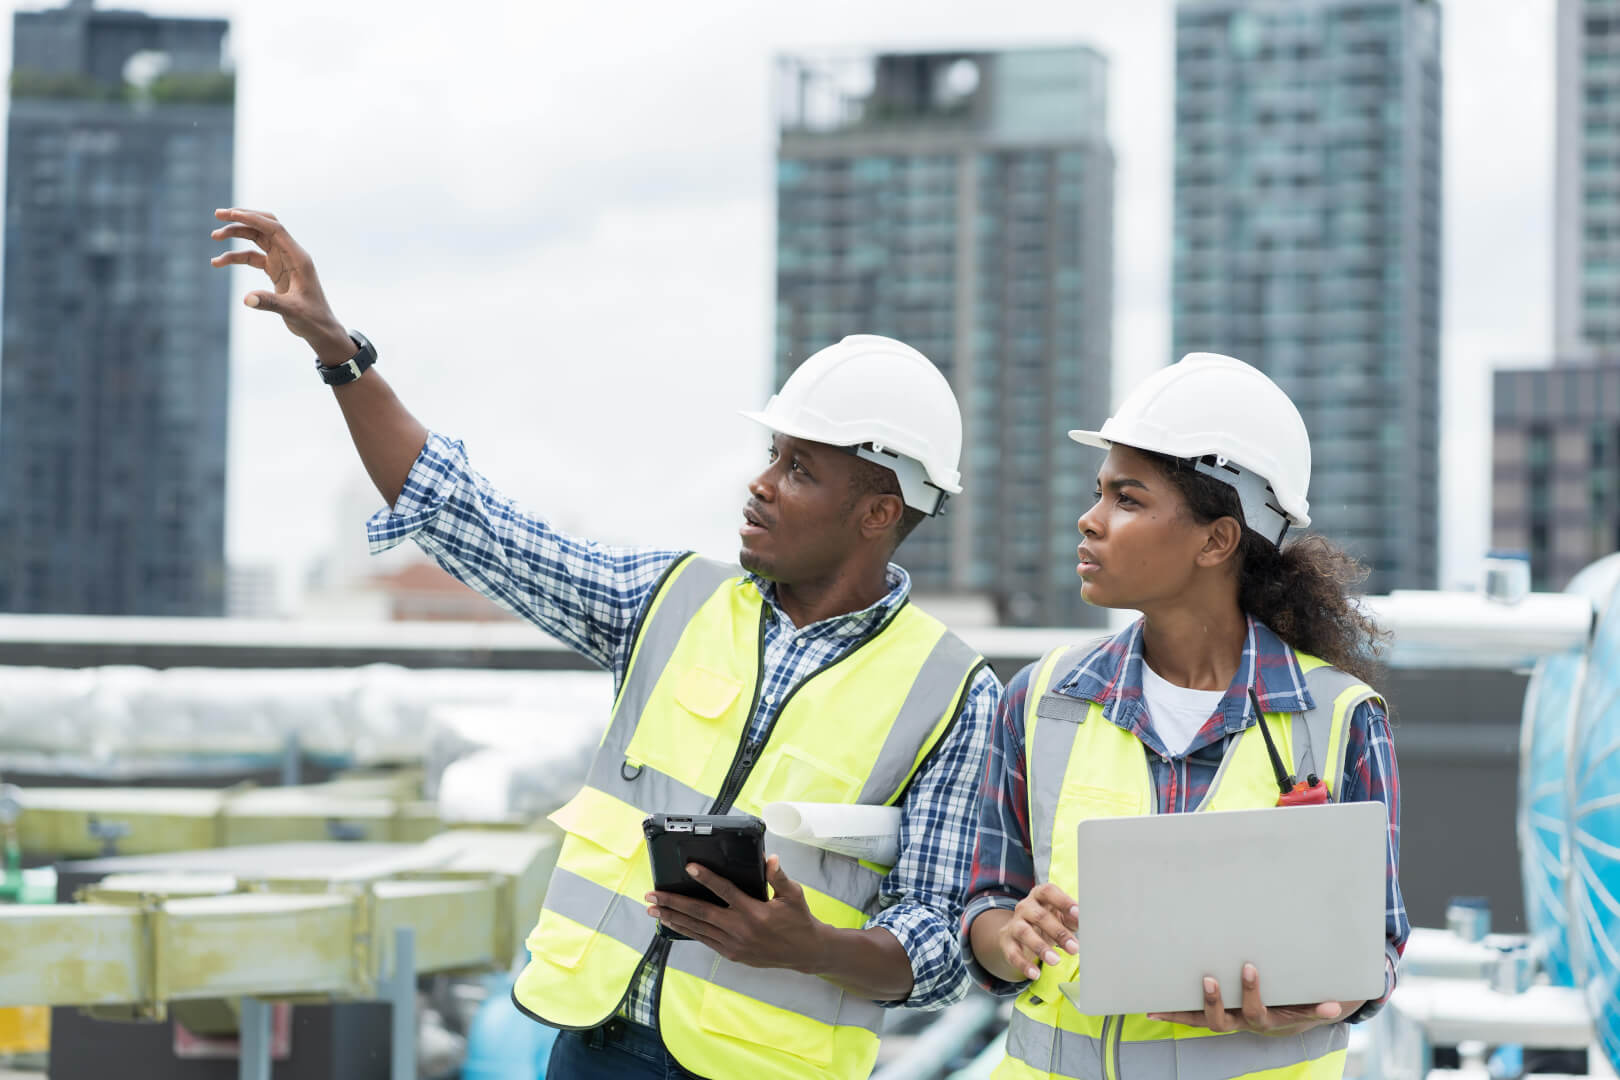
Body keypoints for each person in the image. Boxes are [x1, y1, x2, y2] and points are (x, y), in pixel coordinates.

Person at [210, 208, 1002, 1080]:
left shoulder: (954, 693)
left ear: (878, 512)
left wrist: (810, 945)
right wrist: (341, 357)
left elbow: (940, 946)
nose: (761, 484)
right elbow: (465, 515)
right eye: (773, 455)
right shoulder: (669, 601)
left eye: (799, 470)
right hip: (594, 1047)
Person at [962, 353, 1407, 1079]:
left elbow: (1379, 949)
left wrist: (1318, 1000)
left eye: (1127, 499)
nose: (1091, 519)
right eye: (1099, 493)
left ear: (1216, 539)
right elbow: (985, 900)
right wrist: (1009, 932)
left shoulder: (1343, 720)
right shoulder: (1041, 699)